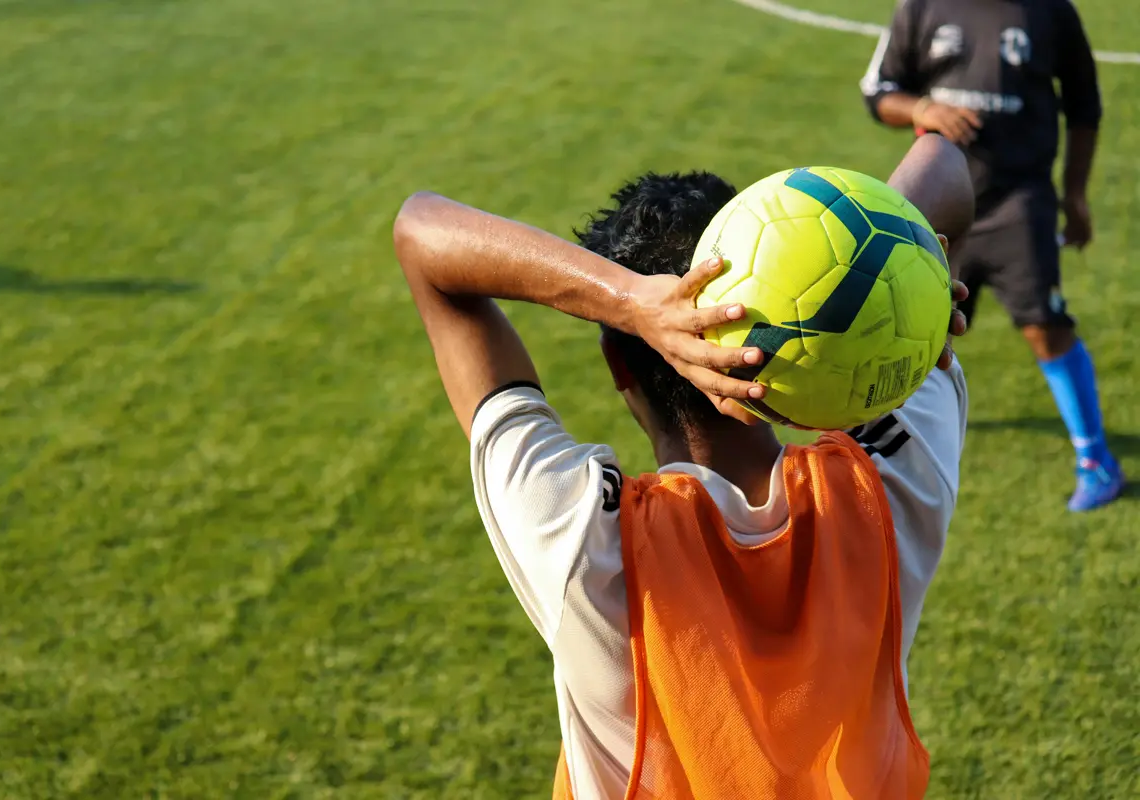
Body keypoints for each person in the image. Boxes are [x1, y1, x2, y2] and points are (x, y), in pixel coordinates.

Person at [394, 134, 972, 799]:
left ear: (620, 368)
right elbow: (944, 159)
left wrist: (629, 302)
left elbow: (421, 232)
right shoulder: (892, 481)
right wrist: (909, 273)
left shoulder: (583, 537)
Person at [860, 0, 1123, 511]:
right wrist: (921, 109)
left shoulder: (1051, 12)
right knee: (911, 332)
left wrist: (1075, 195)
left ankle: (1096, 462)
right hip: (936, 205)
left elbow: (1085, 105)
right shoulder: (920, 6)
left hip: (1018, 203)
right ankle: (869, 459)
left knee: (1043, 324)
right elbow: (878, 92)